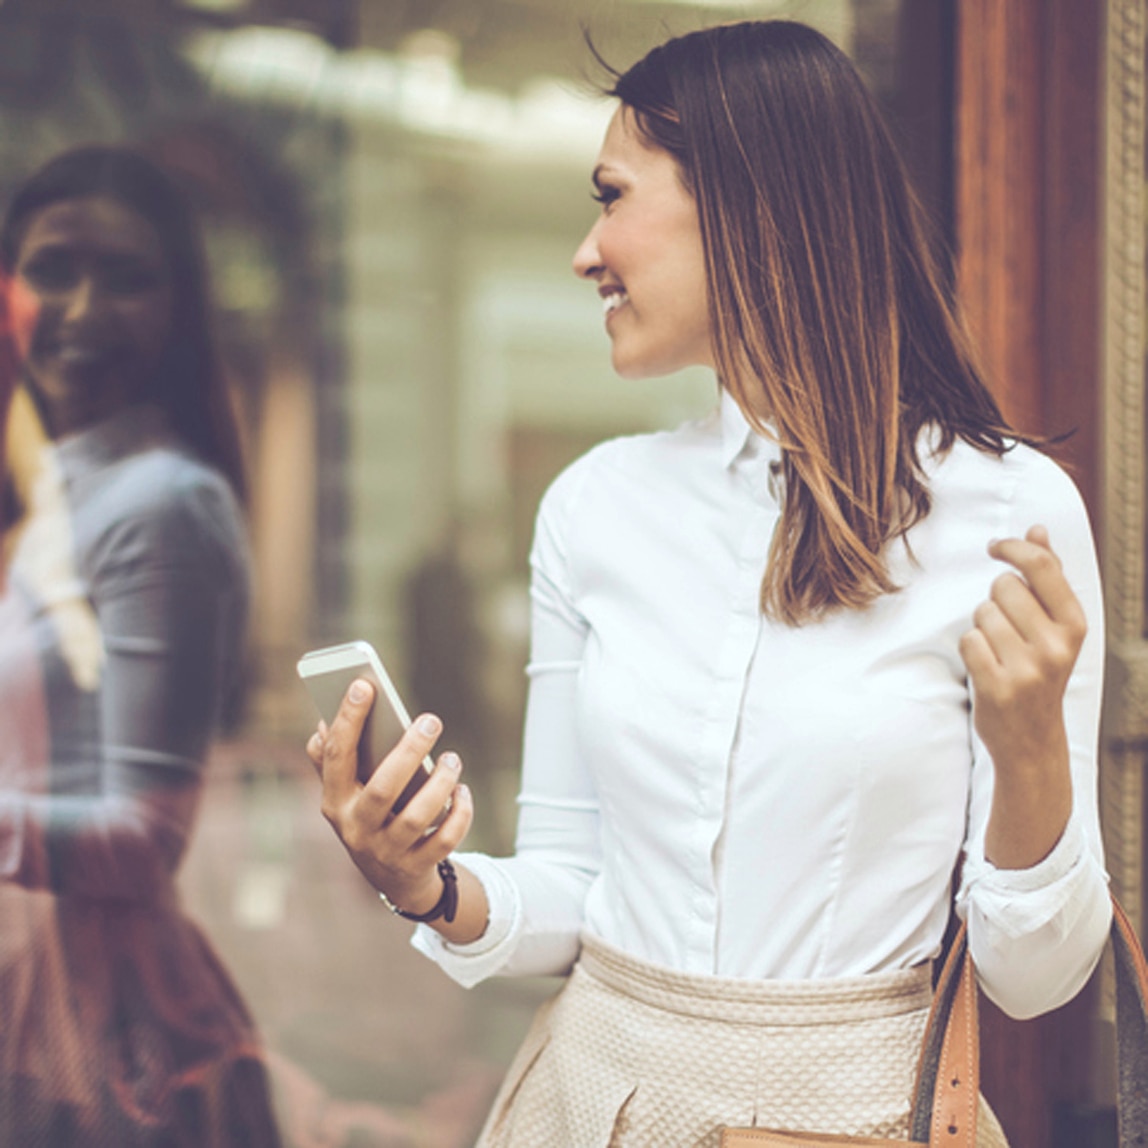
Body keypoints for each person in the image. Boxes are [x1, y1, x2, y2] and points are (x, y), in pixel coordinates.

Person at [308, 21, 1110, 1146]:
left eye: (609, 194)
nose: (585, 252)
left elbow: (1036, 979)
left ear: (743, 203)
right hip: (587, 1102)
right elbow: (571, 887)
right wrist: (425, 883)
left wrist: (1028, 752)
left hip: (856, 1119)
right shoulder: (594, 509)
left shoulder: (1009, 514)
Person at [0, 145, 280, 1145]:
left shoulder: (162, 501)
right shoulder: (49, 494)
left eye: (127, 276)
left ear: (178, 308)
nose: (81, 309)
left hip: (96, 1021)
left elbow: (144, 834)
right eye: (50, 268)